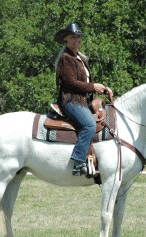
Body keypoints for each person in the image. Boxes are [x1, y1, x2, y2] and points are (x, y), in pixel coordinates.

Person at [54, 22, 113, 176]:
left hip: (82, 100)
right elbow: (71, 83)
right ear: (66, 39)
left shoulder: (81, 58)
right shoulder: (66, 58)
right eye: (73, 37)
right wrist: (94, 87)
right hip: (71, 100)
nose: (77, 40)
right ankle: (78, 161)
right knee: (89, 125)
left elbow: (85, 82)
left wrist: (104, 88)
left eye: (79, 37)